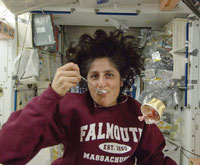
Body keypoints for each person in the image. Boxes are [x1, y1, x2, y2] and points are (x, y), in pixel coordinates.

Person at [0, 29, 176, 165]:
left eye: (109, 75)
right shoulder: (71, 107)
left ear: (121, 79)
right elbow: (7, 149)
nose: (101, 83)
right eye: (94, 76)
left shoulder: (137, 113)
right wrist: (51, 95)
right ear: (86, 80)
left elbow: (156, 161)